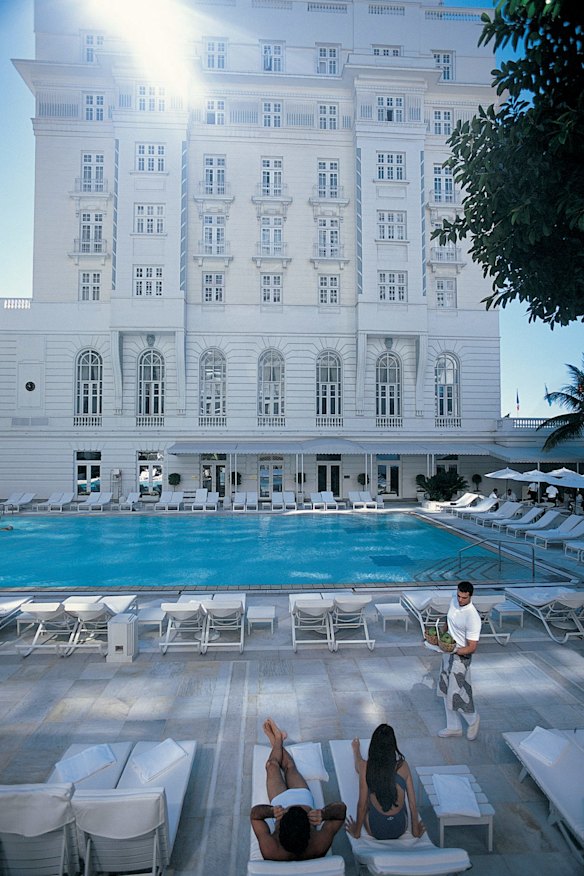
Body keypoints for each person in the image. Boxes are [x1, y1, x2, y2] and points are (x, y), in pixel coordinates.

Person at [250, 718, 346, 861]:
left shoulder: (271, 850)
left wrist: (271, 812)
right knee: (289, 767)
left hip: (279, 802)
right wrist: (324, 814)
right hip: (303, 800)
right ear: (309, 835)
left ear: (279, 831)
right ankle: (277, 740)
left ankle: (277, 740)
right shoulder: (319, 845)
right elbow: (341, 810)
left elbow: (254, 815)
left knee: (271, 765)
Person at [346, 724, 425, 841]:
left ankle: (356, 750)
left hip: (376, 829)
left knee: (370, 796)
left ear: (373, 745)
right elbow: (412, 804)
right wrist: (416, 831)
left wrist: (356, 832)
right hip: (400, 828)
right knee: (394, 793)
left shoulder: (365, 767)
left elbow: (362, 805)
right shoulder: (403, 766)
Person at [437, 581, 481, 741]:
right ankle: (453, 727)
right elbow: (448, 620)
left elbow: (472, 647)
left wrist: (454, 651)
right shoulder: (454, 600)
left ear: (470, 596)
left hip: (461, 657)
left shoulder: (473, 617)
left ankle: (473, 719)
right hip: (448, 651)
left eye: (464, 598)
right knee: (445, 689)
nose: (460, 600)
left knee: (456, 693)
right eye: (458, 596)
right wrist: (440, 634)